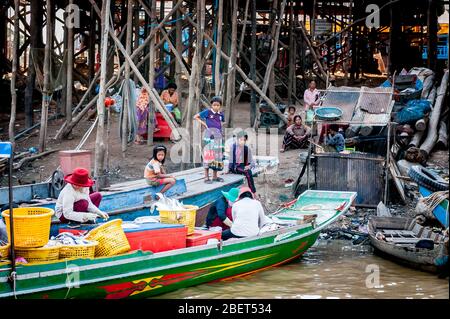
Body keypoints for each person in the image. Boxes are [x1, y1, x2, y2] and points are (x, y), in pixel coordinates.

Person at [194, 96, 225, 184]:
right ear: (211, 105)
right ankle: (206, 177)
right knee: (208, 156)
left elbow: (221, 122)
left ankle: (215, 176)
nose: (216, 106)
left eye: (218, 105)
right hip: (209, 137)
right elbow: (195, 116)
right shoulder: (207, 112)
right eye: (214, 105)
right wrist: (204, 124)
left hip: (218, 136)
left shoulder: (221, 114)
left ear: (220, 106)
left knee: (217, 157)